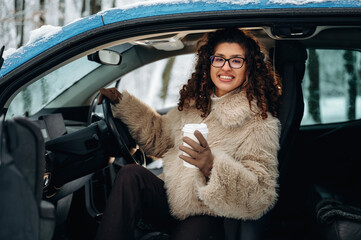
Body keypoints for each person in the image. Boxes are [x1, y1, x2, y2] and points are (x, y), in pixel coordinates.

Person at [95, 28, 282, 240]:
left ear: (248, 67)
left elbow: (260, 196)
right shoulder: (194, 104)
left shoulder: (259, 122)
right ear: (209, 63)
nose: (226, 67)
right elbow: (159, 139)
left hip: (209, 212)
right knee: (130, 174)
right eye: (219, 59)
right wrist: (121, 102)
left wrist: (211, 167)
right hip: (172, 198)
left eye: (236, 61)